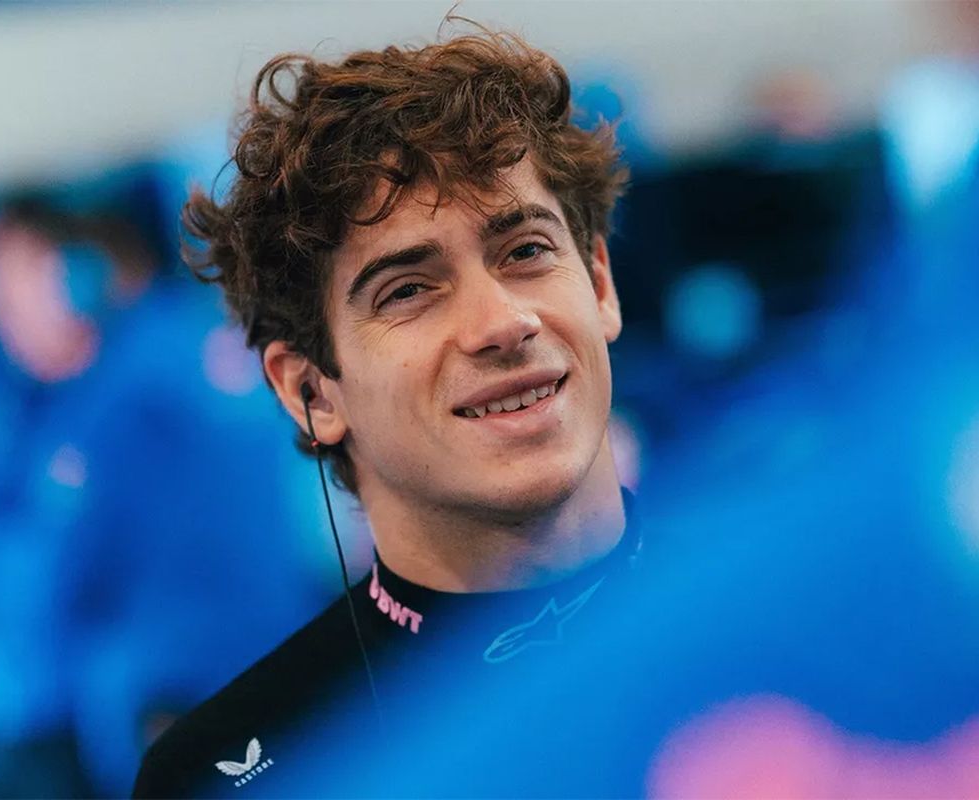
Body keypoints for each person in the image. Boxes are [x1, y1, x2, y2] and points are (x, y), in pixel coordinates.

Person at [132, 29, 650, 798]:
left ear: (599, 283)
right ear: (311, 392)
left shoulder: (811, 597)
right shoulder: (227, 773)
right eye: (407, 290)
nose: (503, 323)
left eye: (525, 251)